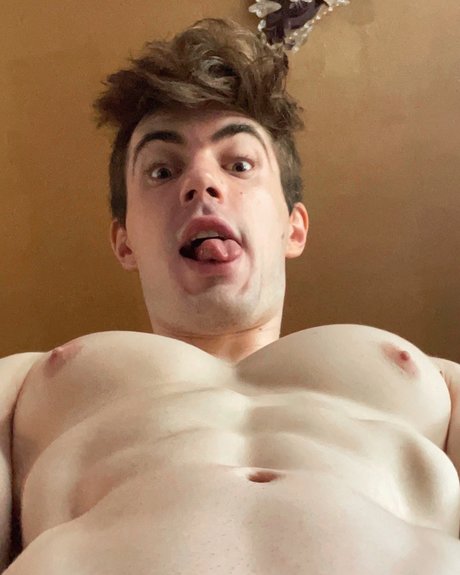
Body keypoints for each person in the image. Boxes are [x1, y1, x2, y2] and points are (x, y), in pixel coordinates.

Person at [1, 17, 459, 575]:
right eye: (162, 171)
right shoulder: (27, 382)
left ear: (293, 228)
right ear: (124, 242)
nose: (201, 183)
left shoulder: (434, 380)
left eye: (239, 164)